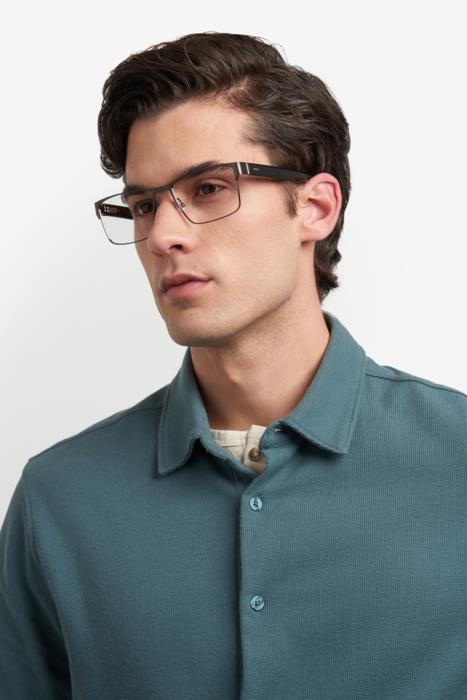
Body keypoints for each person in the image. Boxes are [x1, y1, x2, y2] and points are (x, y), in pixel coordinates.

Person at [1, 31, 466, 700]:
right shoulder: (59, 499)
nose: (163, 235)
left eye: (210, 188)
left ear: (315, 207)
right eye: (144, 205)